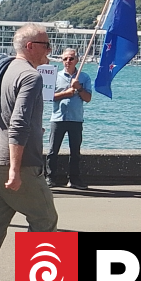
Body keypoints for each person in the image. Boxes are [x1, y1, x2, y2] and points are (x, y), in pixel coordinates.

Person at [0, 23, 59, 281]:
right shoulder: (31, 77)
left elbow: (0, 114)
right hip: (18, 164)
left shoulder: (2, 69)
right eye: (47, 45)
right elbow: (18, 123)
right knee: (44, 218)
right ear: (30, 47)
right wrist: (14, 169)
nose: (50, 51)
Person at [46, 48, 92, 189]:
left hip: (76, 119)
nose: (68, 61)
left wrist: (79, 88)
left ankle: (74, 179)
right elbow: (47, 96)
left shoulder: (84, 77)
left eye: (71, 58)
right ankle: (50, 177)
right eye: (65, 59)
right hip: (58, 118)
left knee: (75, 152)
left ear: (77, 60)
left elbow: (88, 98)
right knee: (53, 150)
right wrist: (65, 93)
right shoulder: (54, 76)